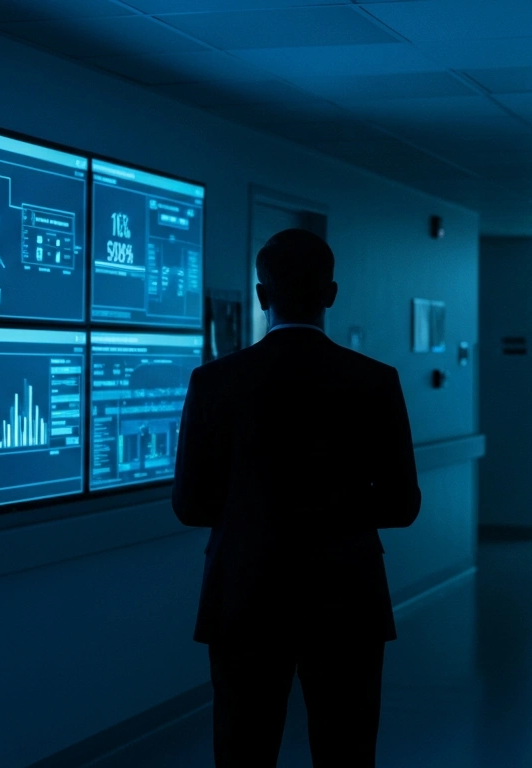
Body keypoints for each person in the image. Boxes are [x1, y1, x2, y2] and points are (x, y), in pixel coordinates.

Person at [173, 228, 422, 767]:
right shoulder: (375, 381)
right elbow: (403, 506)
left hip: (244, 592)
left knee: (243, 748)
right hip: (347, 594)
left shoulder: (214, 381)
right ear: (331, 294)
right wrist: (335, 514)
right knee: (346, 750)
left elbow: (190, 506)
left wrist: (255, 516)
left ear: (264, 296)